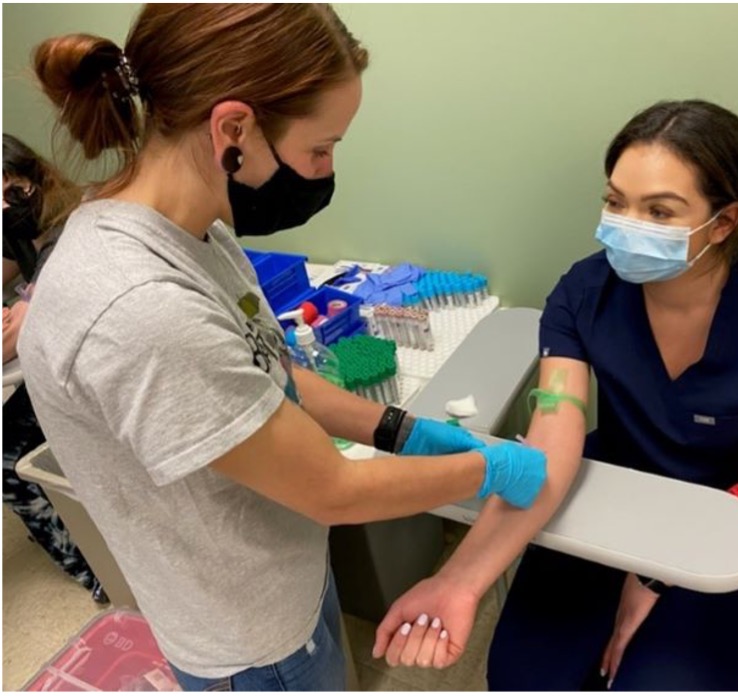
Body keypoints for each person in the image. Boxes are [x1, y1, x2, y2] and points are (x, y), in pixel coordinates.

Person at [17, 4, 547, 692]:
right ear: (233, 129)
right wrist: (490, 470)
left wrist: (401, 429)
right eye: (320, 149)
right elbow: (333, 491)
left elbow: (274, 370)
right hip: (250, 639)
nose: (326, 170)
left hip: (277, 566)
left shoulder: (192, 228)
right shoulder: (139, 308)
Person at [373, 100, 738, 691]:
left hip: (732, 519)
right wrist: (459, 580)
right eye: (616, 202)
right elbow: (551, 442)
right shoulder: (582, 294)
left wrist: (649, 579)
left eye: (659, 211)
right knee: (524, 681)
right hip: (611, 489)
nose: (625, 224)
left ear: (723, 222)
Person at [2, 133, 108, 604]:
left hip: (92, 361)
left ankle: (94, 569)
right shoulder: (21, 223)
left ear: (36, 178)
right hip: (56, 356)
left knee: (7, 461)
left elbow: (22, 326)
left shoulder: (78, 218)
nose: (6, 207)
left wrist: (25, 308)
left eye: (12, 191)